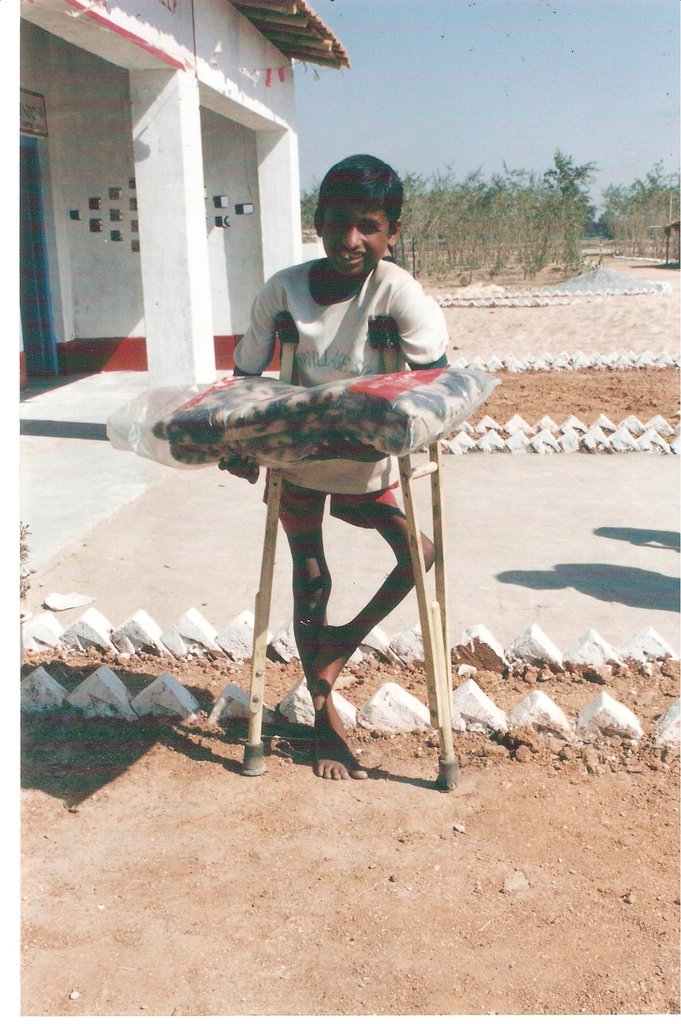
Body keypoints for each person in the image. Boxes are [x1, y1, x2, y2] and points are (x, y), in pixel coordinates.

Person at [226, 154, 450, 781]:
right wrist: (239, 441)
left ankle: (338, 645)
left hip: (365, 463)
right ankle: (326, 723)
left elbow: (434, 378)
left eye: (368, 226)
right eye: (336, 223)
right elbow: (245, 377)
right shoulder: (283, 290)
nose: (350, 240)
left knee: (420, 556)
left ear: (392, 232)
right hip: (299, 464)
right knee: (310, 572)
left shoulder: (396, 291)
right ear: (317, 221)